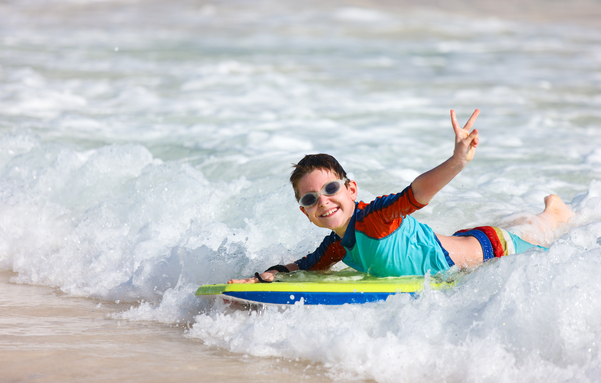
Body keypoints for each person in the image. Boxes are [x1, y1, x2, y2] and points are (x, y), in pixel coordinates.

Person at [228, 109, 573, 284]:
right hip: (465, 243)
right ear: (304, 212)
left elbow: (416, 194)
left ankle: (555, 213)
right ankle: (546, 215)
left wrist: (456, 161)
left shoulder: (374, 218)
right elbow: (304, 267)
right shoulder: (337, 245)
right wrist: (264, 277)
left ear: (351, 189)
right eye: (310, 199)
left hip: (492, 251)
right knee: (528, 227)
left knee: (557, 250)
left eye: (331, 189)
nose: (323, 201)